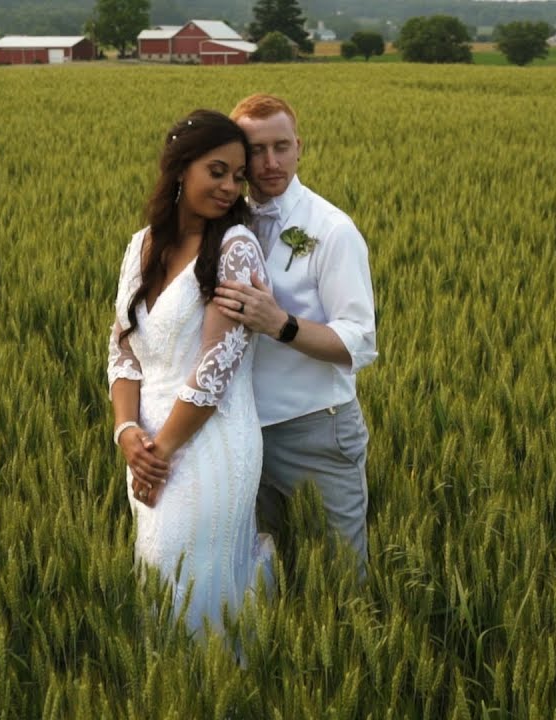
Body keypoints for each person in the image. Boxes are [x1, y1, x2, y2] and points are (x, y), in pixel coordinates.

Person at [107, 109, 274, 636]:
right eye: (217, 171)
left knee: (194, 579)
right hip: (147, 446)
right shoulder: (141, 245)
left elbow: (215, 368)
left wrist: (159, 453)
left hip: (209, 441)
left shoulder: (235, 247)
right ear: (181, 169)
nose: (230, 187)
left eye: (238, 176)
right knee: (158, 576)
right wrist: (126, 432)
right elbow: (122, 350)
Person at [212, 94, 378, 566]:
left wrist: (279, 324)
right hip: (242, 433)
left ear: (299, 147)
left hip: (316, 432)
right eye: (256, 150)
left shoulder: (332, 230)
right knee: (266, 572)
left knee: (341, 575)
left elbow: (359, 342)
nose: (270, 162)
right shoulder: (222, 224)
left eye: (281, 147)